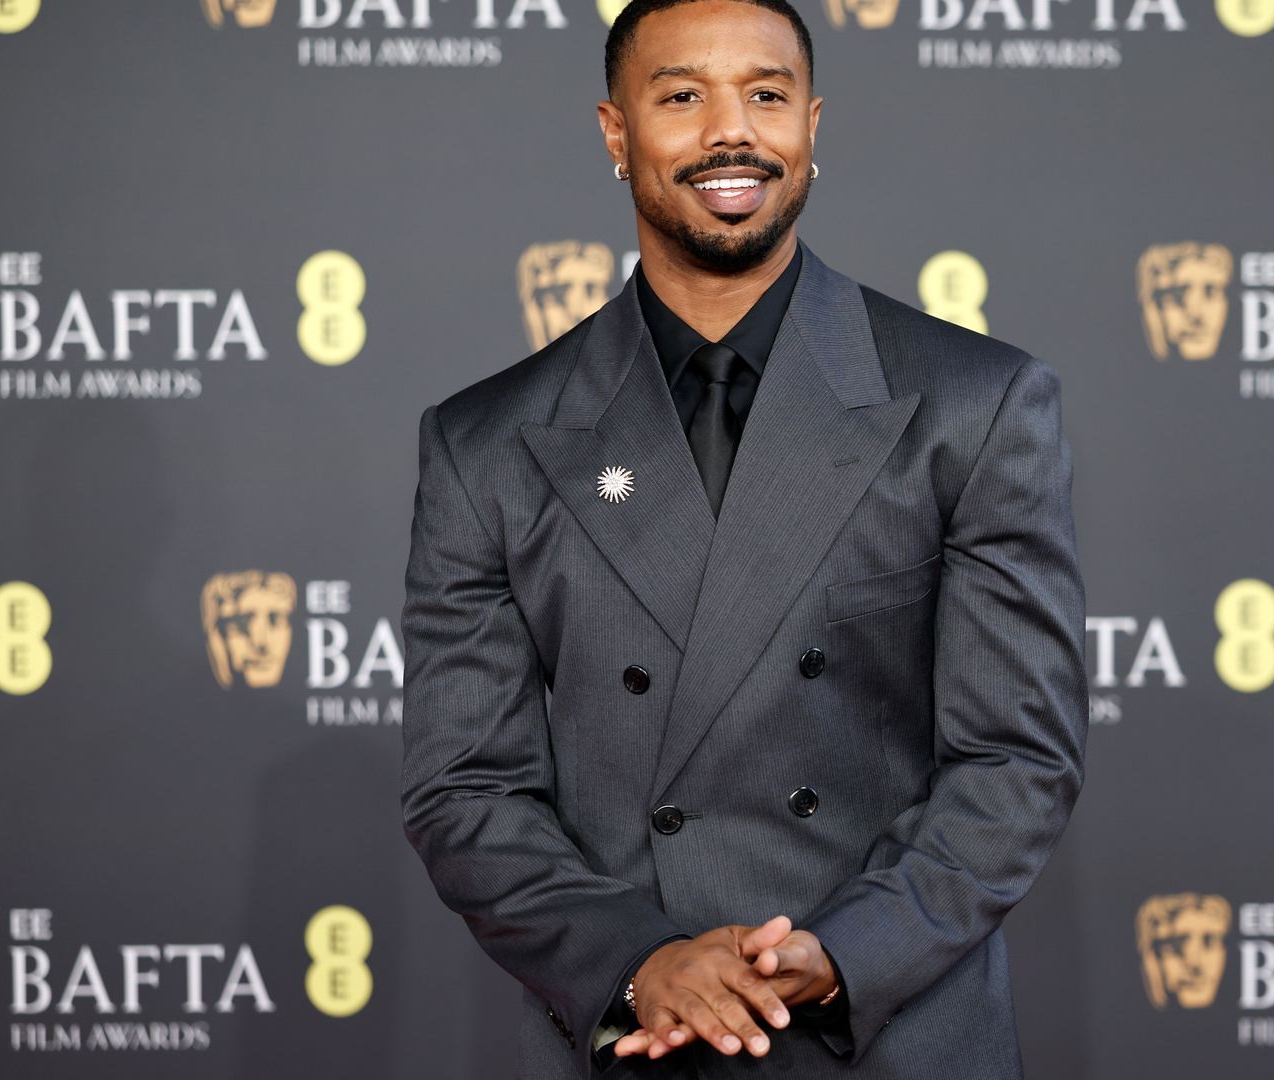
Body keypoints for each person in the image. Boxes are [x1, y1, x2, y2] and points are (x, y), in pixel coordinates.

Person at [398, 0, 1087, 1075]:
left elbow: (1015, 759)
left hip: (890, 1034)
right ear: (616, 134)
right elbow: (466, 787)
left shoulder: (976, 404)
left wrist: (848, 950)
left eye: (765, 95)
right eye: (683, 97)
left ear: (812, 125)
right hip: (639, 1039)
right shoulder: (487, 442)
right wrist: (641, 961)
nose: (734, 132)